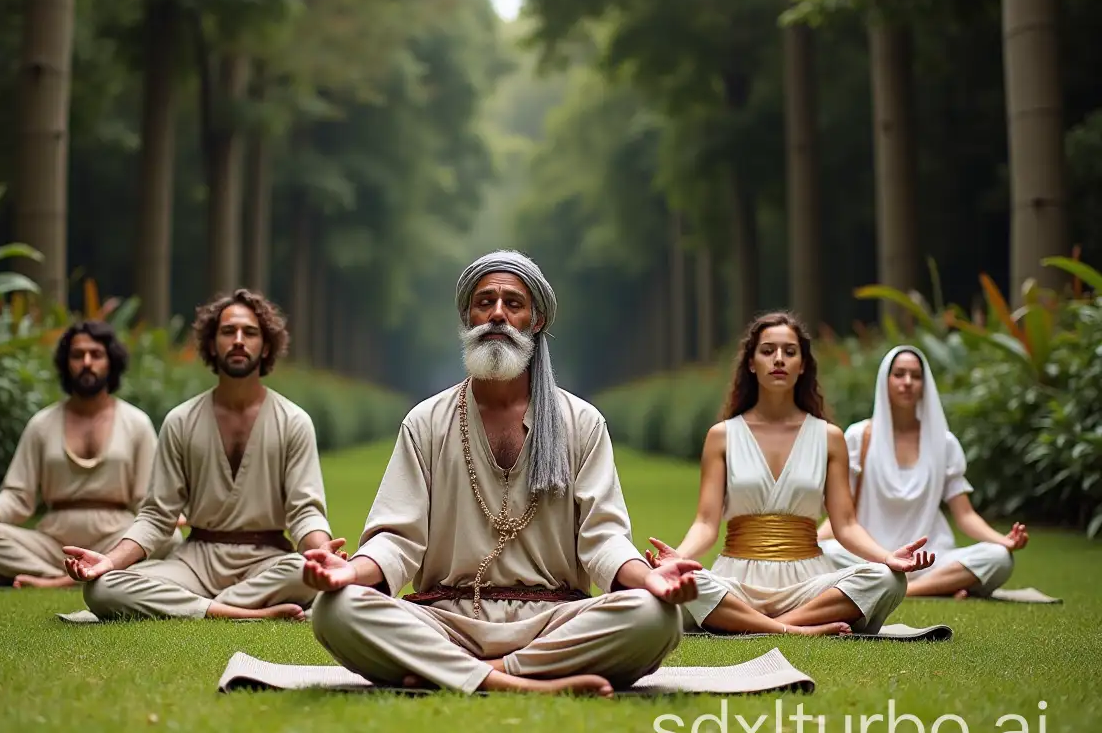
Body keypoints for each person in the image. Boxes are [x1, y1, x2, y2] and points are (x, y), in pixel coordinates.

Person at [303, 250, 700, 698]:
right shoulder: (426, 421)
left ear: (536, 321)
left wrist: (651, 580)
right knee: (336, 610)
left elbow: (603, 538)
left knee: (655, 616)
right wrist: (348, 575)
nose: (497, 314)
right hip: (446, 620)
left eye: (513, 303)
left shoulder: (582, 422)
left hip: (555, 624)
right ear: (467, 317)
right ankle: (522, 682)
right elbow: (396, 539)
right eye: (484, 302)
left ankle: (471, 674)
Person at [647, 312, 934, 636]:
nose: (779, 359)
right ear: (751, 363)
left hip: (808, 586)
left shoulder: (829, 437)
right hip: (737, 583)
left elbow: (846, 525)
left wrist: (887, 556)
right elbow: (705, 523)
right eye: (768, 351)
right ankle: (795, 629)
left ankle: (758, 624)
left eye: (790, 351)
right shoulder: (722, 436)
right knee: (691, 583)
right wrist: (678, 558)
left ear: (803, 364)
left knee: (888, 579)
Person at [62, 289, 339, 620]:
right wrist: (109, 561)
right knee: (102, 588)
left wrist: (321, 553)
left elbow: (305, 510)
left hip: (267, 561)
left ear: (265, 346)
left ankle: (203, 607)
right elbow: (156, 516)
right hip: (193, 565)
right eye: (227, 332)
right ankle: (241, 612)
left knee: (301, 571)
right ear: (211, 344)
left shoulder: (294, 422)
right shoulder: (181, 421)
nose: (238, 340)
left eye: (250, 332)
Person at [0, 321, 178, 588]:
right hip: (53, 545)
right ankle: (68, 576)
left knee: (171, 537)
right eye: (77, 355)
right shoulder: (42, 423)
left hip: (115, 537)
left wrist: (170, 514)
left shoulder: (136, 423)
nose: (86, 362)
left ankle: (60, 579)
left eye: (96, 354)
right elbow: (17, 497)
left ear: (111, 362)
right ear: (65, 363)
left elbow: (146, 500)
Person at [817, 344, 1026, 598]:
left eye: (916, 376)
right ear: (885, 381)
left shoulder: (944, 442)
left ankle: (907, 590)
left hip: (931, 561)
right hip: (871, 557)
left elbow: (965, 515)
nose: (907, 382)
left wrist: (1003, 541)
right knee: (822, 552)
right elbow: (842, 517)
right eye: (899, 374)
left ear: (925, 385)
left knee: (999, 558)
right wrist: (811, 542)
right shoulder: (858, 437)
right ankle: (935, 586)